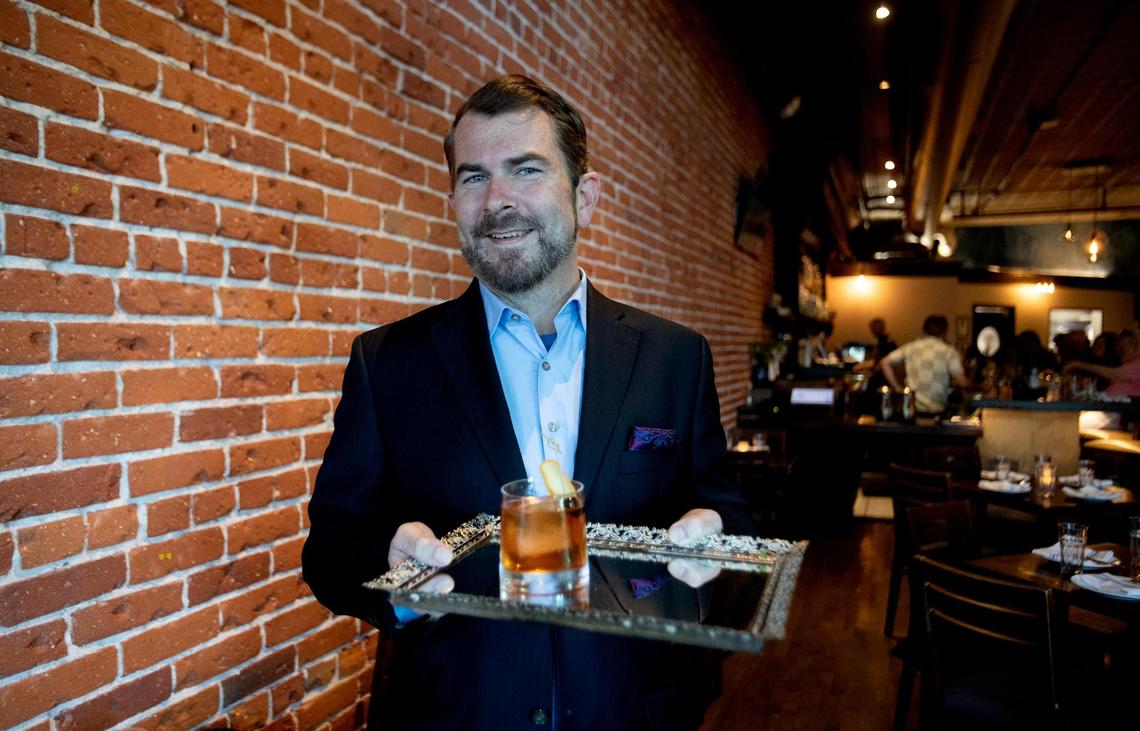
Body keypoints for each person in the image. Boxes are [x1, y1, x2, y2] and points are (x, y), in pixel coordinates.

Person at [301, 75, 752, 730]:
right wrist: (389, 572)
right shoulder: (387, 363)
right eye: (474, 177)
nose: (498, 200)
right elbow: (332, 551)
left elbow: (728, 513)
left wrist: (715, 538)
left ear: (585, 196)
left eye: (527, 169)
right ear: (453, 198)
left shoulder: (675, 358)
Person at [880, 314, 971, 414]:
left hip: (912, 408)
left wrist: (898, 388)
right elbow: (962, 382)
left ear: (924, 330)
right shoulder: (949, 351)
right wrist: (978, 386)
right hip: (937, 410)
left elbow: (885, 363)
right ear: (944, 331)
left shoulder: (911, 347)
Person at [1063, 329, 1140, 397]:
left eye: (1122, 348)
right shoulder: (1126, 364)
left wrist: (1078, 364)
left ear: (1134, 345)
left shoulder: (1136, 365)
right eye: (1118, 347)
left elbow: (1114, 374)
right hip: (1109, 407)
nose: (1118, 350)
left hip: (1126, 410)